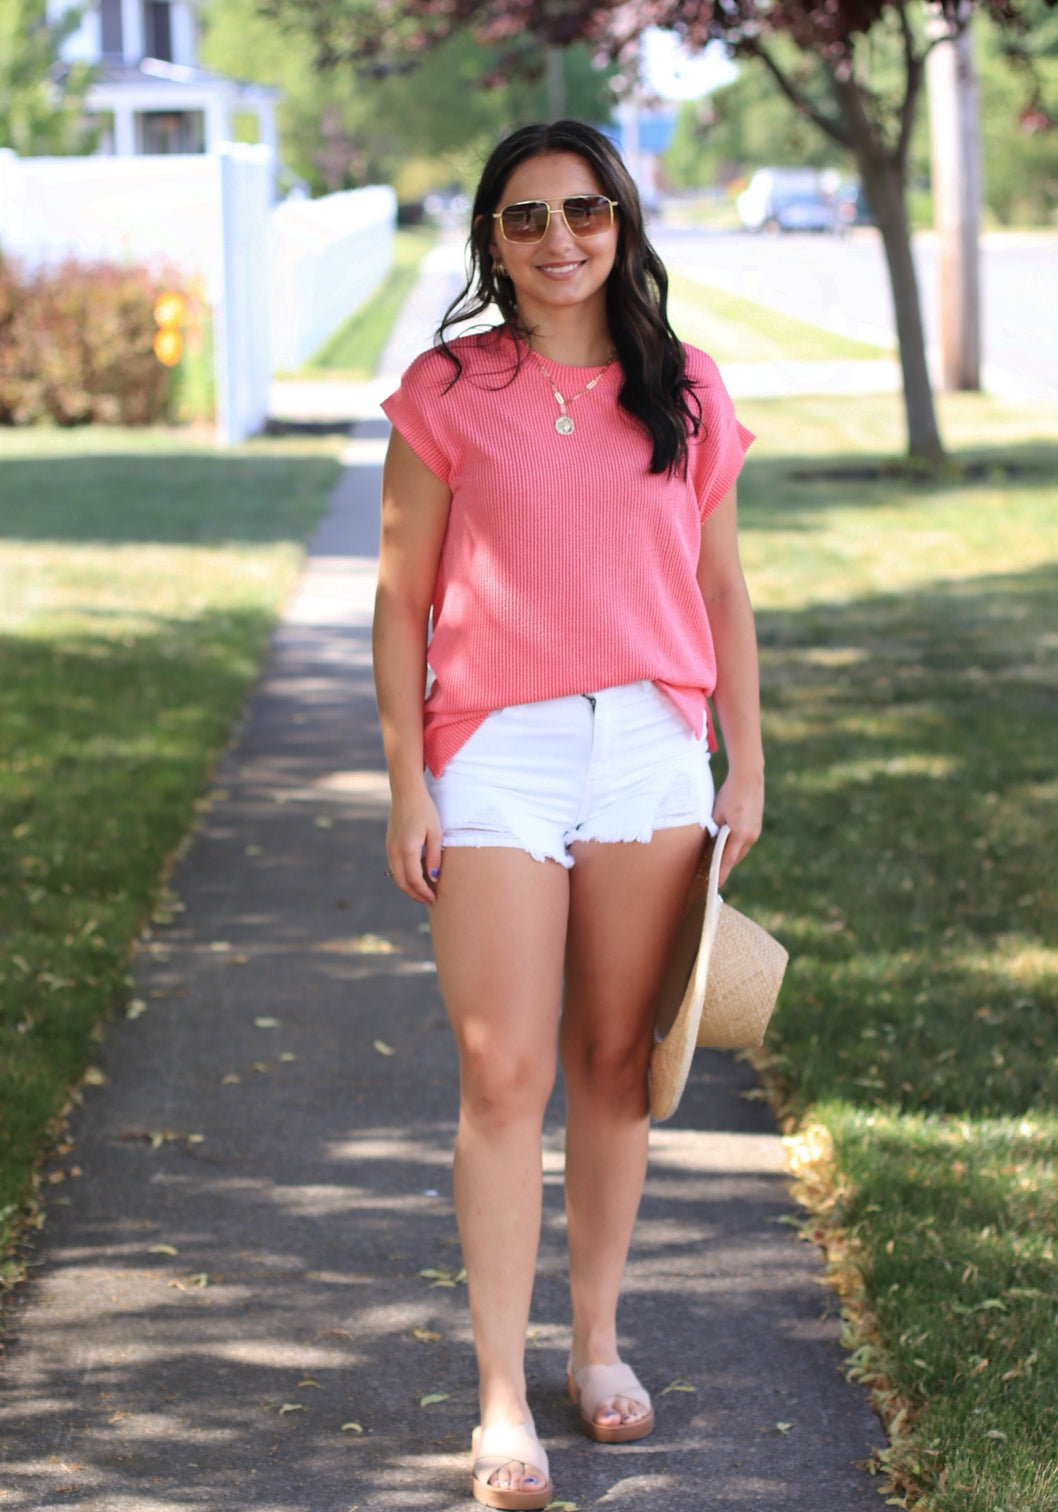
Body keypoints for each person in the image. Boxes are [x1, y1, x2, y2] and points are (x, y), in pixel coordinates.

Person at [373, 119, 763, 1511]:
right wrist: (409, 780)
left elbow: (721, 590)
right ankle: (496, 1393)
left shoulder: (689, 388)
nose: (560, 240)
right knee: (502, 1073)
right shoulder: (450, 389)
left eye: (585, 212)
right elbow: (401, 598)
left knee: (615, 1063)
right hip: (497, 752)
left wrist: (746, 764)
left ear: (623, 223)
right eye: (528, 217)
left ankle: (596, 1346)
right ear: (493, 237)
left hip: (653, 750)